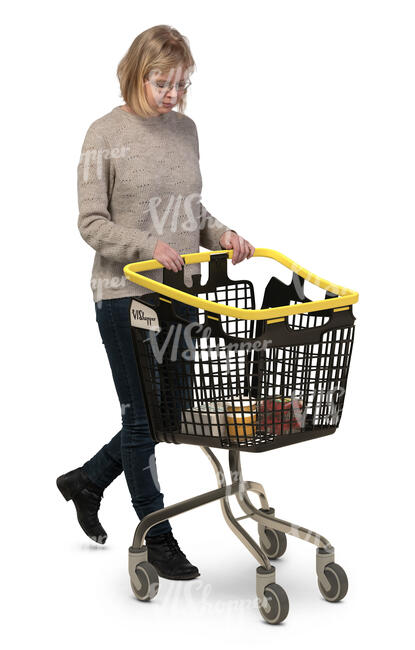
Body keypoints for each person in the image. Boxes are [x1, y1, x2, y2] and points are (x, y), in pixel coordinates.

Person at [56, 25, 255, 581]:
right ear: (137, 71)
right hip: (124, 295)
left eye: (181, 84)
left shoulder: (186, 130)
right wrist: (148, 246)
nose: (173, 94)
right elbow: (91, 222)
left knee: (171, 412)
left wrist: (223, 235)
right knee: (142, 416)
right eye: (162, 82)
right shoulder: (103, 134)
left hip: (180, 295)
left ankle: (87, 481)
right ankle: (156, 534)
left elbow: (190, 209)